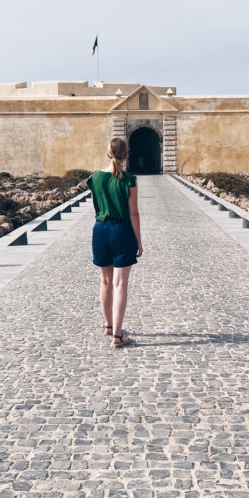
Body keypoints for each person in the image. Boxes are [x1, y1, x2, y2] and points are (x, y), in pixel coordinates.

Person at [87, 137, 143, 347]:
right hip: (122, 231)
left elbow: (98, 204)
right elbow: (134, 214)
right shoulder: (129, 179)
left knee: (105, 282)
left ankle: (108, 325)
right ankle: (118, 336)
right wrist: (139, 241)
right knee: (120, 284)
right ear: (126, 155)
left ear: (108, 153)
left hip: (100, 231)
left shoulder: (93, 178)